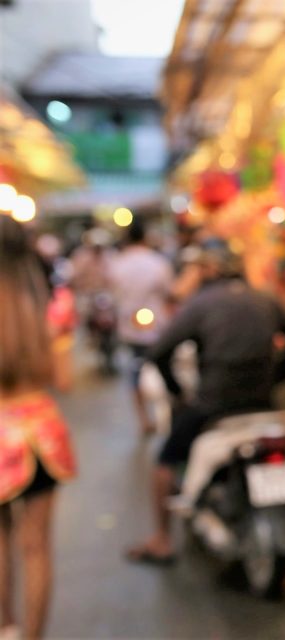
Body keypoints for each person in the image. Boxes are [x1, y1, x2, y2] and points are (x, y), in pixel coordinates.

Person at [126, 244, 285, 564]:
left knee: (165, 460)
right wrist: (277, 377)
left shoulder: (201, 304)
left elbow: (159, 352)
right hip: (263, 402)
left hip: (215, 405)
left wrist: (178, 392)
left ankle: (162, 538)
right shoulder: (264, 299)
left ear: (207, 271)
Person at [0, 216, 78, 640]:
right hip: (41, 434)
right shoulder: (51, 305)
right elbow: (63, 379)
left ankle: (5, 625)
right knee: (37, 549)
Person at [108, 218, 174, 435]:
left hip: (130, 327)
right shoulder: (157, 262)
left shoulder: (118, 263)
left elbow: (113, 293)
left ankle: (144, 418)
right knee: (164, 367)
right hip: (157, 327)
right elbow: (169, 292)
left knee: (135, 371)